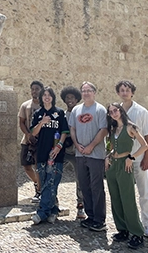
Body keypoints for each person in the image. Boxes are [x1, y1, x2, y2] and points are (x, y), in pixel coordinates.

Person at [105, 102, 148, 250]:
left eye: (115, 110)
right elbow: (113, 148)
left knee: (128, 199)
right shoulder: (113, 129)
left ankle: (137, 233)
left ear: (121, 111)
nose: (114, 113)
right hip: (113, 166)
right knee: (115, 198)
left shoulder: (131, 127)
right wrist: (108, 157)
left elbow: (144, 145)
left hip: (125, 165)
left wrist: (132, 157)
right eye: (111, 112)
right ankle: (122, 229)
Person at [116, 80, 148, 239]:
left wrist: (146, 158)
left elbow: (147, 135)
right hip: (122, 160)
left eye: (127, 90)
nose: (124, 92)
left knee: (144, 192)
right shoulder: (115, 111)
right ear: (118, 93)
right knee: (125, 194)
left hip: (138, 158)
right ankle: (129, 224)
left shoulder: (141, 111)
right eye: (121, 90)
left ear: (132, 92)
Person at [68, 81, 108, 232]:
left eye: (89, 90)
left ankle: (100, 220)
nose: (86, 93)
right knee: (84, 186)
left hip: (96, 155)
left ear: (94, 92)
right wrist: (77, 145)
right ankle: (90, 216)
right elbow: (72, 128)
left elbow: (104, 130)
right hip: (80, 154)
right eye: (83, 90)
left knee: (97, 187)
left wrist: (91, 146)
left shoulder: (100, 109)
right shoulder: (76, 110)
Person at [30, 87, 69, 225]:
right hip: (41, 152)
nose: (47, 97)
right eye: (44, 95)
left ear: (53, 97)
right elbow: (33, 133)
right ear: (41, 98)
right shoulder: (38, 113)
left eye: (49, 95)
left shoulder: (59, 113)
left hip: (55, 153)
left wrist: (59, 146)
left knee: (51, 181)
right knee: (46, 181)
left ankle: (41, 213)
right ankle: (52, 210)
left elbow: (64, 132)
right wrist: (42, 122)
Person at [60, 85, 86, 219]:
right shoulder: (62, 115)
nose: (70, 100)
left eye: (72, 98)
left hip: (77, 151)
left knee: (80, 179)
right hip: (64, 150)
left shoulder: (81, 114)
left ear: (77, 99)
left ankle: (80, 206)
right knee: (54, 174)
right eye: (67, 97)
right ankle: (53, 202)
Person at [18, 80, 44, 202]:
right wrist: (28, 134)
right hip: (27, 140)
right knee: (26, 165)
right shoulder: (25, 105)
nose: (34, 91)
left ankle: (39, 191)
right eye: (33, 89)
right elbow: (21, 122)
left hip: (41, 141)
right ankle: (37, 183)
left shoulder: (45, 106)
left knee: (39, 166)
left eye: (37, 89)